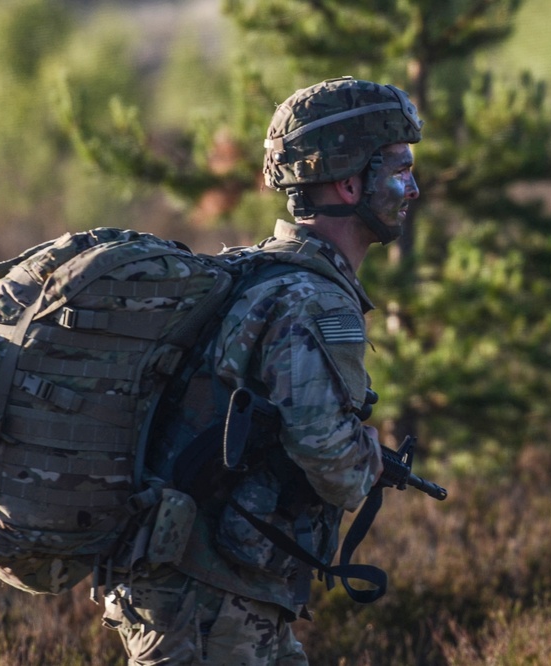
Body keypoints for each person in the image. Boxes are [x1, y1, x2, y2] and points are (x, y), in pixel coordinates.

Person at [101, 76, 423, 665]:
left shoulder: (263, 271)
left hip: (216, 589)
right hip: (208, 602)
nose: (413, 189)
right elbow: (336, 465)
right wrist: (369, 456)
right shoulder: (311, 300)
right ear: (350, 183)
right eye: (400, 171)